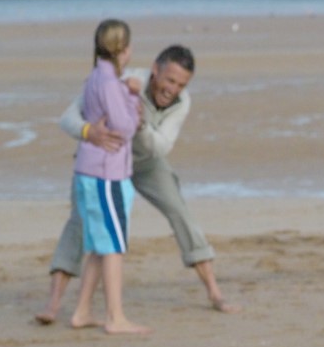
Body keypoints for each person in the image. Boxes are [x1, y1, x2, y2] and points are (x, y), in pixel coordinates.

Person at [38, 43, 234, 321]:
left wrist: (139, 126)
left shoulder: (183, 101)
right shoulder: (120, 81)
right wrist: (88, 131)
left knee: (179, 210)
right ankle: (53, 305)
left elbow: (161, 147)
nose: (173, 89)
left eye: (180, 84)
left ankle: (215, 293)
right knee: (80, 222)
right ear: (155, 70)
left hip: (145, 161)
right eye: (169, 80)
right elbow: (67, 118)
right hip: (105, 157)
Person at [68, 18, 149, 335]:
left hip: (94, 171)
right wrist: (132, 96)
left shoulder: (95, 78)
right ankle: (116, 317)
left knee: (101, 246)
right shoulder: (109, 83)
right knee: (113, 246)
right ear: (123, 49)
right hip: (106, 174)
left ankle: (82, 311)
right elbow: (125, 127)